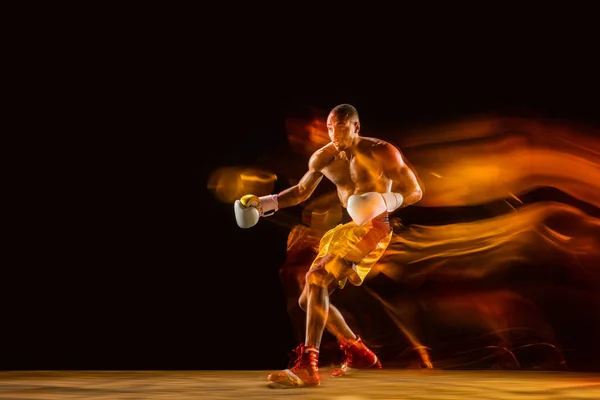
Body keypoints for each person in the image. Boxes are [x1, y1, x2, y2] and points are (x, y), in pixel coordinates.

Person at [234, 104, 423, 388]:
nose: (335, 133)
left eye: (342, 127)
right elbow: (300, 192)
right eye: (331, 127)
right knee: (307, 299)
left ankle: (309, 365)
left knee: (317, 278)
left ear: (356, 127)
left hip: (376, 226)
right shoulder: (324, 157)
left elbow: (415, 190)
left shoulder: (381, 151)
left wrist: (388, 201)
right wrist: (265, 204)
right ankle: (359, 353)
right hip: (348, 229)